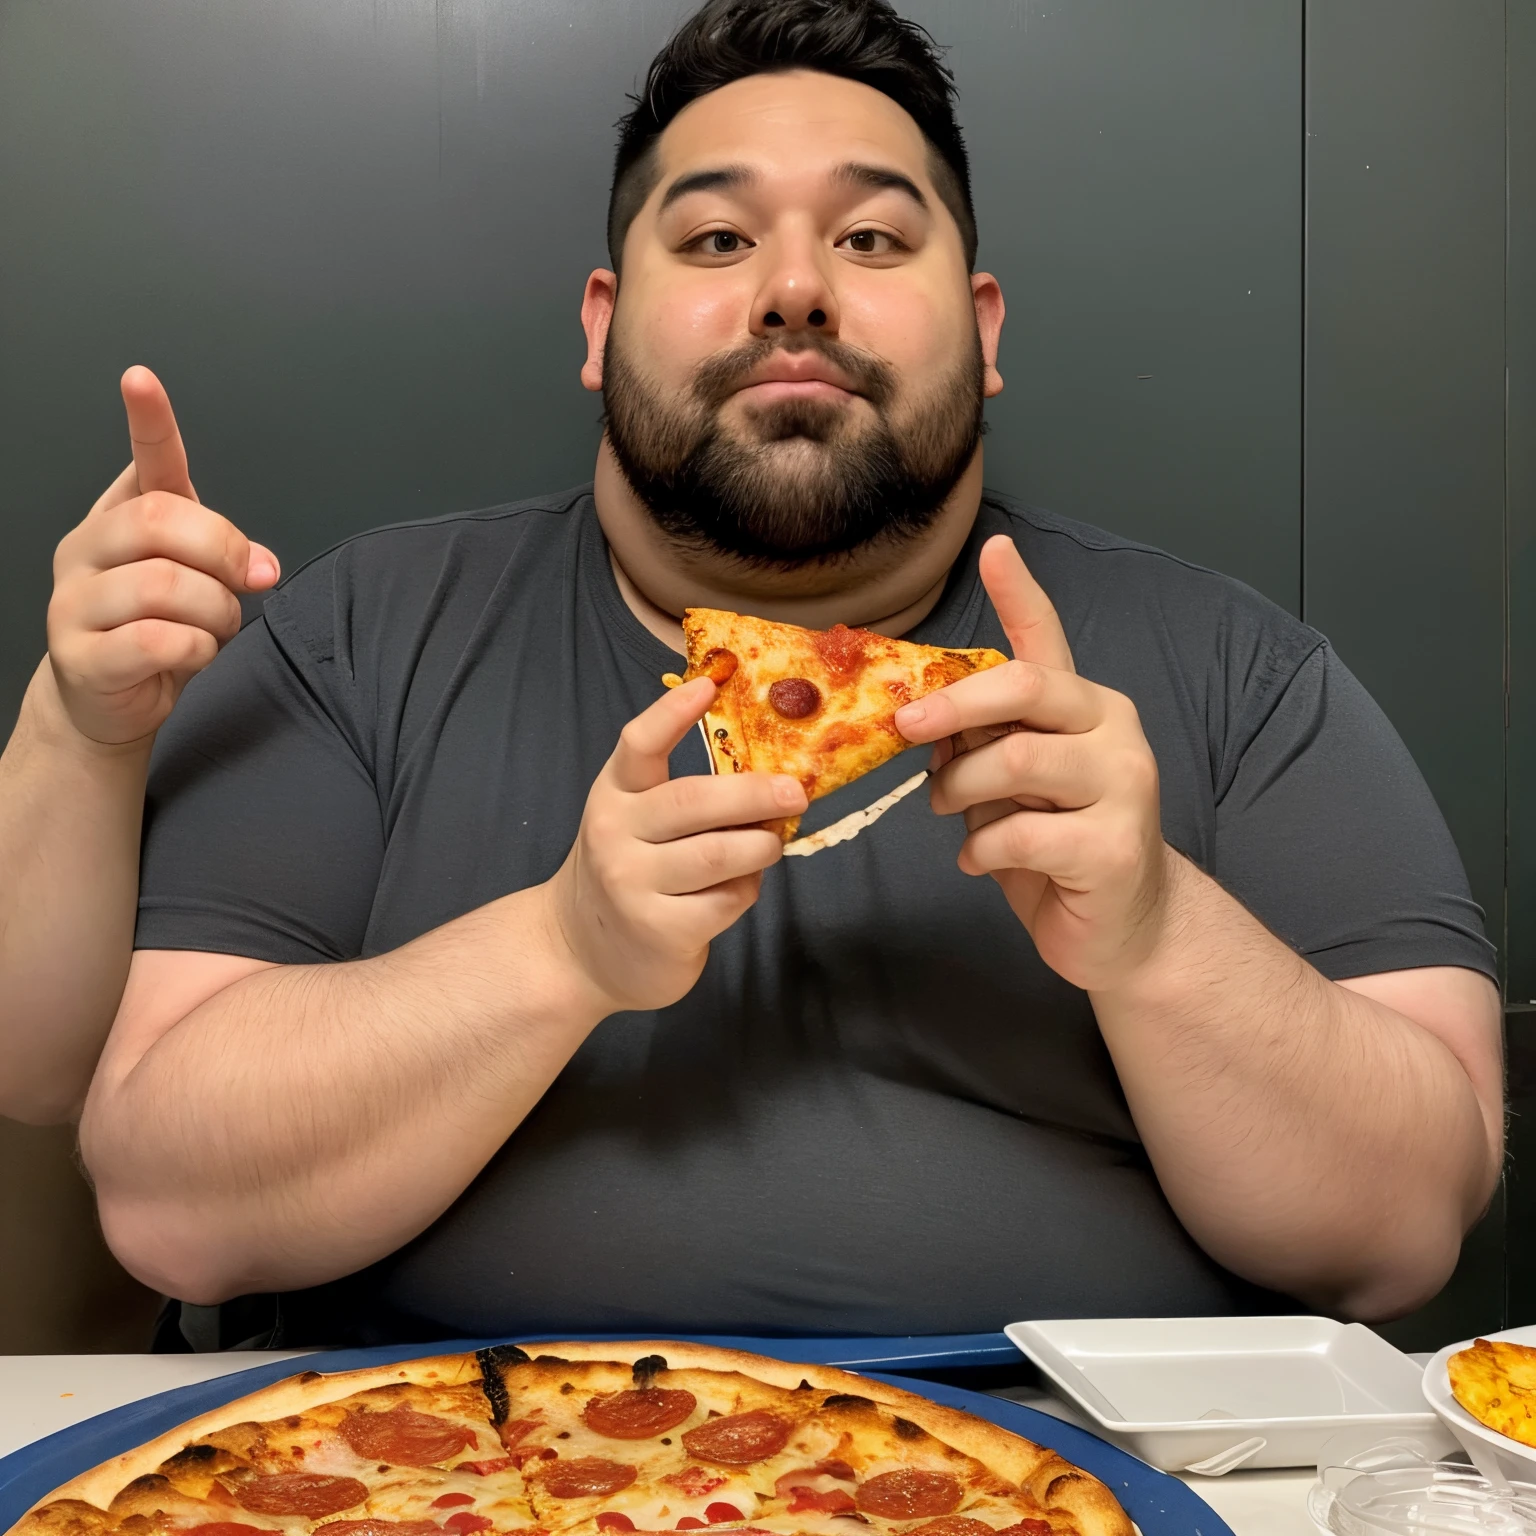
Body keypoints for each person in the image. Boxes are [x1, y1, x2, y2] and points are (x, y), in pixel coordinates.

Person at [4, 0, 1502, 1349]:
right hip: (450, 1476)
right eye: (717, 241)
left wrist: (1162, 937)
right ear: (603, 327)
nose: (795, 289)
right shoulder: (362, 638)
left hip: (1086, 1485)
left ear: (981, 331)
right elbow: (168, 1200)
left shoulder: (1238, 674)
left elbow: (1403, 1238)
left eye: (873, 240)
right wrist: (563, 952)